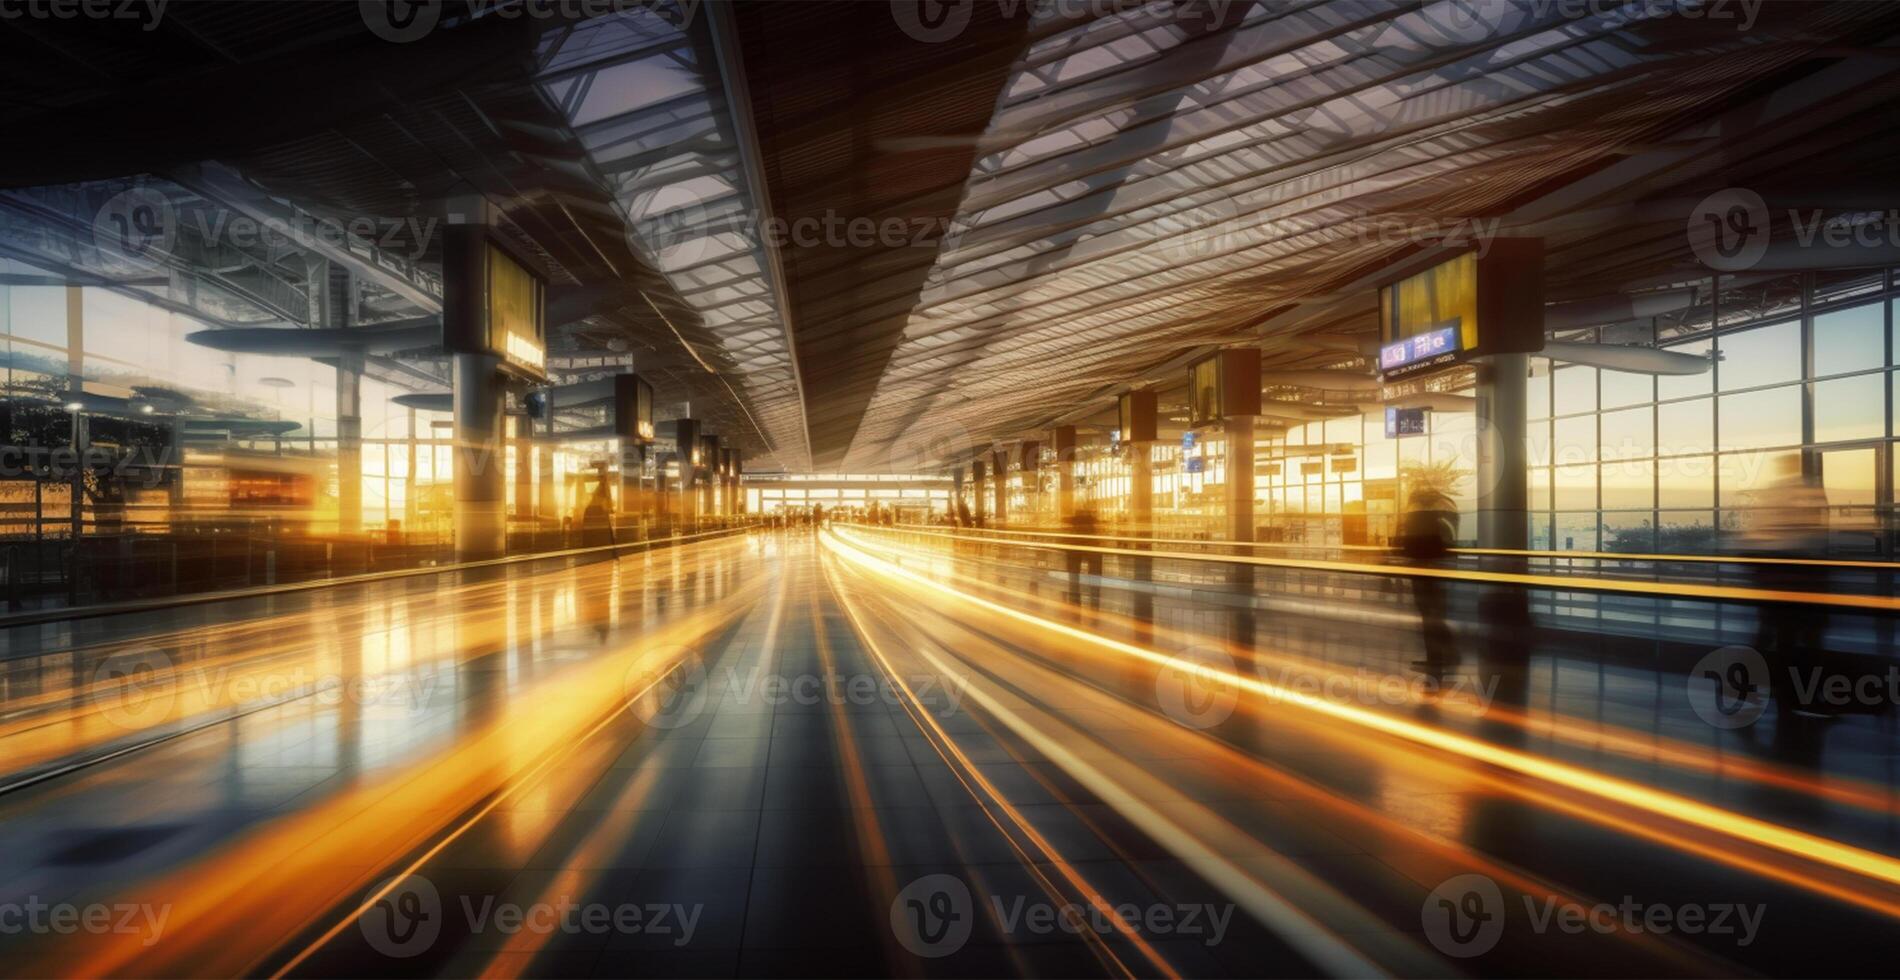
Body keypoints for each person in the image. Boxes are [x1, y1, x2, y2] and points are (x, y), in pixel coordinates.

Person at [1399, 489, 1458, 676]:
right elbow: (1443, 545)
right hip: (1433, 572)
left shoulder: (1416, 519)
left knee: (1428, 617)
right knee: (1435, 616)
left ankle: (1437, 659)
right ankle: (1445, 655)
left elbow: (1409, 546)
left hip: (1421, 572)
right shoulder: (1437, 520)